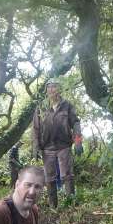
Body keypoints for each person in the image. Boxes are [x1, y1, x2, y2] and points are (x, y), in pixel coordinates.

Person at [32, 78, 83, 208]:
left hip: (64, 146)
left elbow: (76, 123)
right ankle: (53, 207)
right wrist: (35, 147)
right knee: (49, 178)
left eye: (54, 87)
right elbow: (35, 128)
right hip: (47, 148)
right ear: (46, 90)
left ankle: (71, 205)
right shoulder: (41, 107)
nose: (51, 89)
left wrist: (78, 142)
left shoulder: (67, 105)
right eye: (49, 87)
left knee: (67, 175)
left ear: (59, 89)